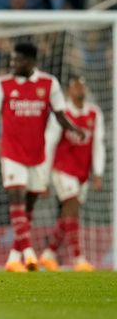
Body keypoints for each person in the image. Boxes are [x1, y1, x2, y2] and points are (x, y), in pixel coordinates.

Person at [0, 43, 84, 272]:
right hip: (11, 153)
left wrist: (75, 128)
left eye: (19, 61)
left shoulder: (49, 83)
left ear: (33, 61)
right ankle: (29, 253)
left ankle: (14, 258)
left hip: (37, 154)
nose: (13, 64)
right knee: (16, 199)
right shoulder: (1, 84)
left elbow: (60, 115)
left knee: (28, 207)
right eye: (12, 60)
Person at [40, 76, 104, 272]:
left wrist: (98, 172)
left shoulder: (94, 113)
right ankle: (78, 259)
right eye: (75, 85)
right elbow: (49, 144)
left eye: (82, 85)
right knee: (72, 208)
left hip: (82, 173)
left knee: (68, 214)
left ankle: (49, 253)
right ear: (69, 91)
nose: (79, 89)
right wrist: (44, 178)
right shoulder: (62, 114)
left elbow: (98, 144)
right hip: (62, 169)